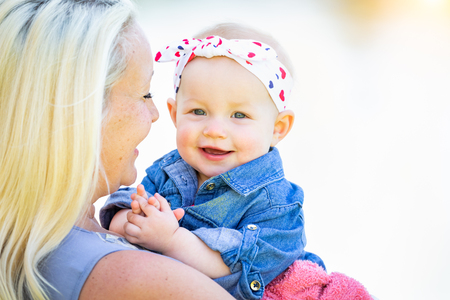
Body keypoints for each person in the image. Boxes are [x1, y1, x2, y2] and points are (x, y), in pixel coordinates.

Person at [0, 1, 234, 299]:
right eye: (144, 94)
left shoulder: (19, 249)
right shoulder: (147, 282)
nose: (155, 113)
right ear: (84, 113)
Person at [100, 23, 325, 300]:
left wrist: (171, 240)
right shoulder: (168, 170)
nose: (215, 130)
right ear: (174, 114)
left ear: (278, 128)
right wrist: (129, 221)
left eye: (239, 115)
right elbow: (124, 208)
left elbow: (241, 271)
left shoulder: (276, 203)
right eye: (198, 111)